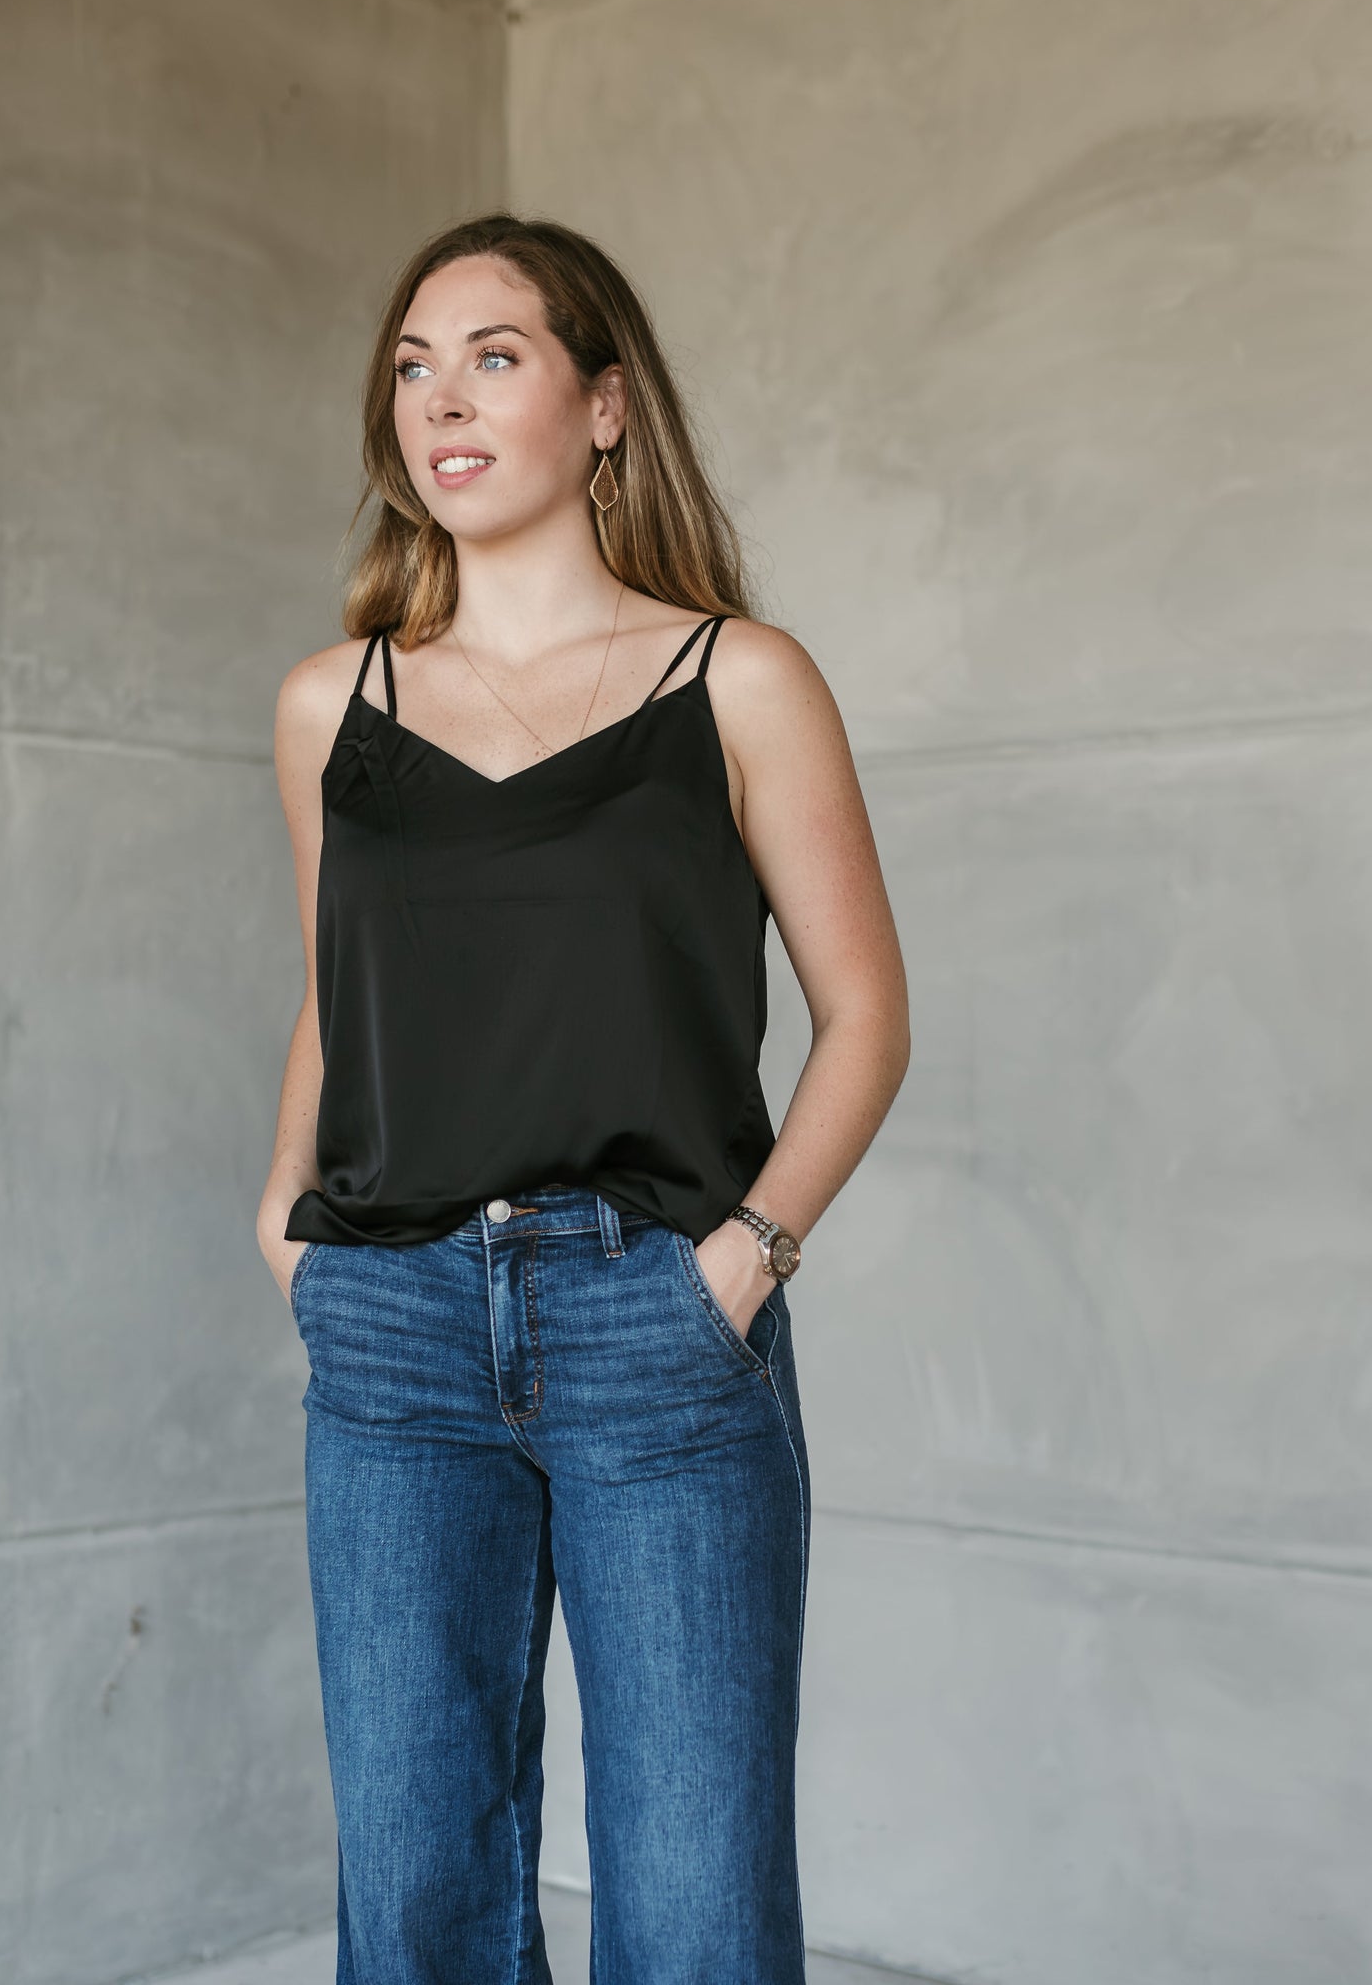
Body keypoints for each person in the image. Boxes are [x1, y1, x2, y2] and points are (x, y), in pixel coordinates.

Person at [256, 212, 911, 1985]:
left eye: (494, 355)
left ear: (606, 406)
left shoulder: (740, 681)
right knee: (417, 1909)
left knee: (693, 1912)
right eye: (411, 365)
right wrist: (287, 1212)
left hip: (656, 1317)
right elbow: (348, 993)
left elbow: (865, 1018)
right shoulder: (340, 705)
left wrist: (749, 1255)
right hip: (391, 1337)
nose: (439, 399)